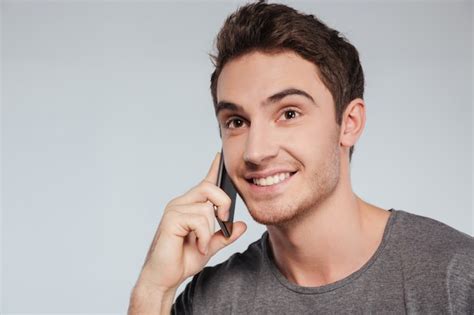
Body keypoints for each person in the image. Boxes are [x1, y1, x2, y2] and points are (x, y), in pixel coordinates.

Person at [128, 1, 474, 314]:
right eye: (236, 121)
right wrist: (154, 290)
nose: (255, 151)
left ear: (348, 124)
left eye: (289, 113)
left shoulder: (455, 277)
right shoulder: (211, 300)